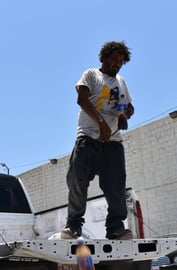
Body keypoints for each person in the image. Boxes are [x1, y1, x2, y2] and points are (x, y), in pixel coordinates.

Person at [61, 41, 135, 240]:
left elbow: (129, 107)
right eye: (113, 59)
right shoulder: (91, 74)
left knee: (116, 186)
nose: (117, 64)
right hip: (88, 137)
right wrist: (101, 123)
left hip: (113, 142)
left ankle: (115, 228)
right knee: (78, 182)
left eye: (121, 61)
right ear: (104, 57)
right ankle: (74, 226)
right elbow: (82, 100)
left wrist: (127, 112)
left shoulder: (121, 82)